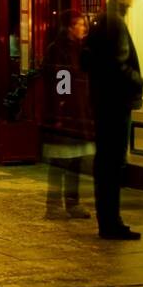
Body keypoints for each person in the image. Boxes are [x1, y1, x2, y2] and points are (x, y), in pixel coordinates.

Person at [84, 0, 143, 240]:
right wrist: (138, 80)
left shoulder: (100, 19)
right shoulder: (115, 23)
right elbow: (117, 65)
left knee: (105, 162)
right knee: (112, 162)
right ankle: (111, 222)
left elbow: (87, 59)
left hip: (102, 100)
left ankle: (108, 220)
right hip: (115, 103)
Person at [42, 11, 93, 219]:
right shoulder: (61, 50)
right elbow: (62, 80)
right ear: (71, 27)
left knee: (75, 160)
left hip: (77, 112)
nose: (84, 28)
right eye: (80, 25)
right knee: (60, 160)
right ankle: (54, 205)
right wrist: (63, 106)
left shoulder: (79, 49)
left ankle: (72, 202)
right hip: (66, 115)